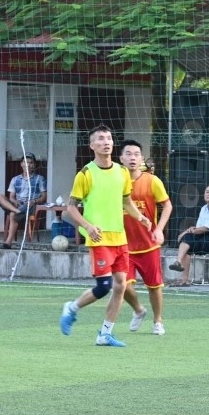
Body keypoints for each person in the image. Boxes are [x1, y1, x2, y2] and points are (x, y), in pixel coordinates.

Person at [58, 125, 153, 347]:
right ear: (92, 145)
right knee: (104, 286)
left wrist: (140, 217)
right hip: (99, 238)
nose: (106, 142)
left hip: (120, 238)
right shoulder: (86, 174)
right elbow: (71, 208)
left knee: (121, 285)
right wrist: (88, 226)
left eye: (109, 138)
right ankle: (71, 307)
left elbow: (126, 201)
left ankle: (105, 334)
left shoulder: (122, 172)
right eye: (100, 139)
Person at [119, 140, 173, 336]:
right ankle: (138, 310)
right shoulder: (116, 181)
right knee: (122, 284)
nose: (132, 157)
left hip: (149, 244)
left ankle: (158, 321)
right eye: (128, 154)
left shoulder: (152, 181)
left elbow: (167, 206)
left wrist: (159, 229)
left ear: (141, 158)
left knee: (155, 286)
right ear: (121, 158)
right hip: (123, 245)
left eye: (136, 154)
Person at [173, 183, 209, 287]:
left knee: (187, 239)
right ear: (204, 194)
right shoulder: (204, 208)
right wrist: (187, 232)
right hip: (204, 235)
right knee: (187, 242)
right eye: (207, 192)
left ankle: (179, 265)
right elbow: (198, 228)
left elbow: (204, 228)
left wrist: (185, 232)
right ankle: (183, 278)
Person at [0, 153, 46, 248]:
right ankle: (15, 211)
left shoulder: (40, 179)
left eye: (31, 163)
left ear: (34, 165)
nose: (28, 165)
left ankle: (8, 242)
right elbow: (11, 197)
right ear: (21, 164)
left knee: (12, 215)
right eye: (25, 162)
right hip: (17, 204)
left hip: (30, 205)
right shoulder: (15, 179)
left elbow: (44, 197)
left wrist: (34, 201)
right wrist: (15, 202)